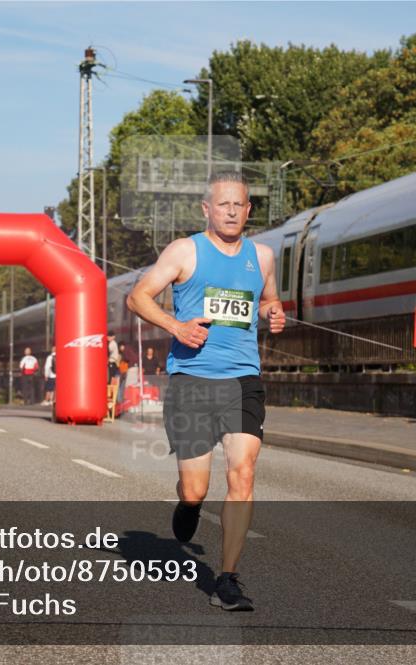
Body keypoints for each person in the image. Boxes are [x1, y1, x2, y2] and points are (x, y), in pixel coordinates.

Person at [126, 171, 286, 611]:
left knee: (243, 473)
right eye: (223, 205)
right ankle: (188, 507)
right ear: (207, 209)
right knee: (195, 489)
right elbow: (139, 297)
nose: (232, 211)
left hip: (242, 381)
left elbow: (270, 299)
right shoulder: (185, 251)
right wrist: (176, 325)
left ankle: (228, 579)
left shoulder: (264, 256)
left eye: (240, 205)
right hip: (192, 381)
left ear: (249, 210)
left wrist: (274, 313)